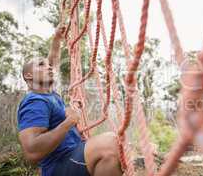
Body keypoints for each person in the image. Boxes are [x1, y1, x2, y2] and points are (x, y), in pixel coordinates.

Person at [17, 25, 123, 176]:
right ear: (28, 75)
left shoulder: (50, 95)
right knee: (110, 143)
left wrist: (56, 40)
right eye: (41, 65)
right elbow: (32, 152)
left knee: (117, 152)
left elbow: (52, 61)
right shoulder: (35, 101)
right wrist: (69, 122)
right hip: (60, 165)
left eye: (48, 65)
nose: (49, 67)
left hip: (73, 154)